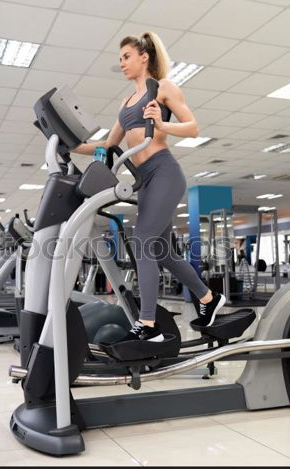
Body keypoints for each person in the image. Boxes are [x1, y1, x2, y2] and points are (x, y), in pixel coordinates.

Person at [74, 32, 225, 342]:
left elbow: (193, 127)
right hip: (144, 179)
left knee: (143, 242)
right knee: (161, 250)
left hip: (165, 172)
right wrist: (74, 147)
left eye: (126, 57)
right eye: (119, 59)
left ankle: (149, 324)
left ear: (144, 57)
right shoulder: (126, 101)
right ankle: (208, 298)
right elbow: (109, 143)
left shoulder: (163, 88)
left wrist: (161, 123)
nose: (122, 63)